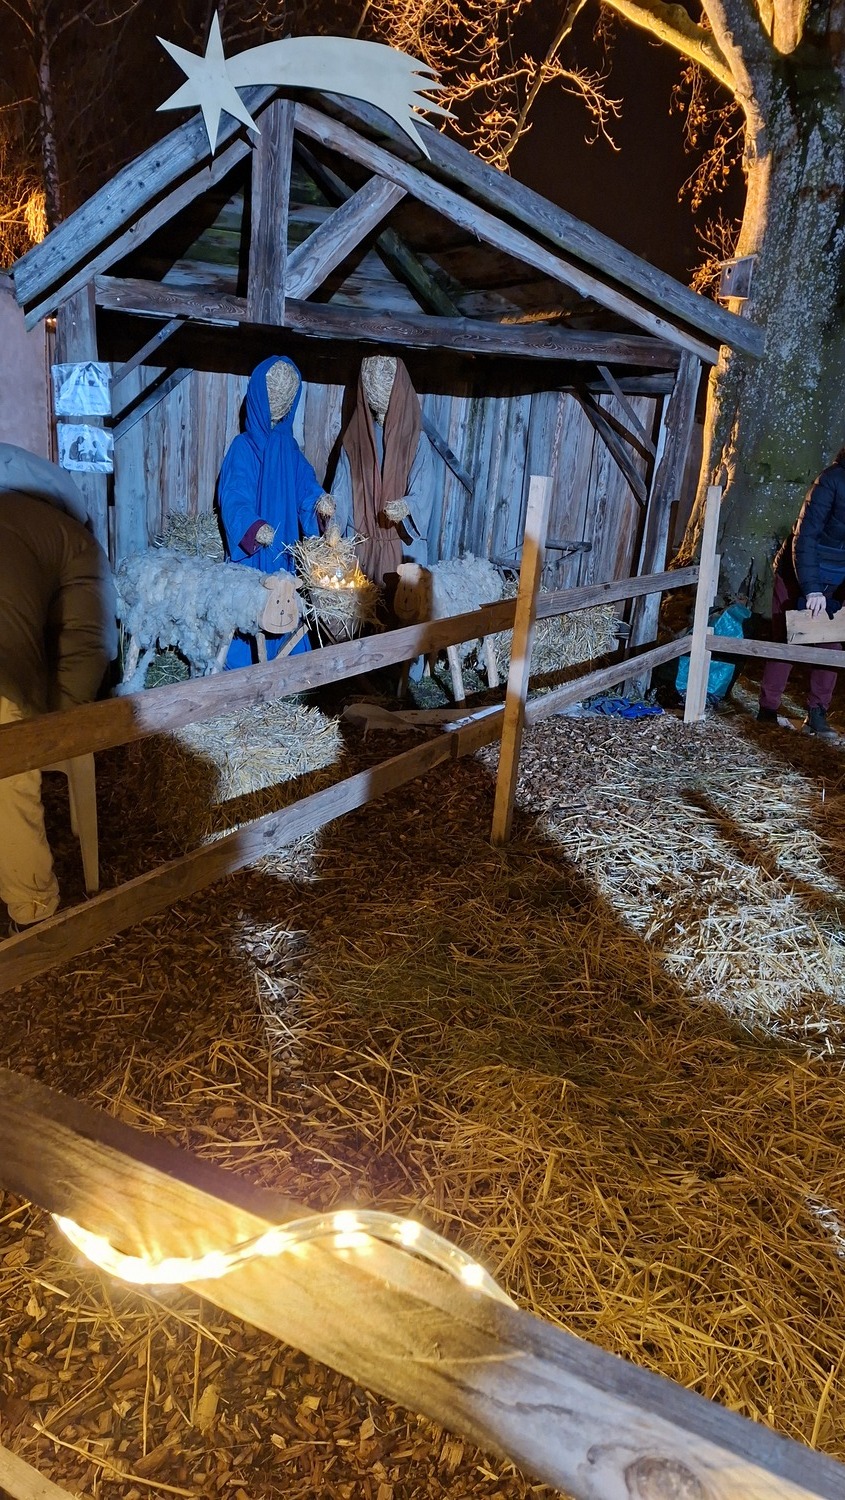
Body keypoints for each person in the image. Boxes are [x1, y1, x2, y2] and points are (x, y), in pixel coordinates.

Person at [0, 443, 116, 930]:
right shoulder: (76, 541)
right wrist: (55, 729)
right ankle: (32, 908)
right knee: (10, 746)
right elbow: (92, 641)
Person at [217, 355, 332, 667]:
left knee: (285, 599)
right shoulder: (242, 447)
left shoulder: (289, 448)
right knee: (251, 604)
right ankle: (244, 664)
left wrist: (319, 502)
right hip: (254, 552)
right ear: (258, 394)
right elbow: (234, 496)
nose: (280, 399)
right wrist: (253, 527)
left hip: (284, 547)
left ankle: (285, 658)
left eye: (288, 393)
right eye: (273, 392)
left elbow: (305, 483)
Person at [758, 447, 845, 737]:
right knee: (786, 638)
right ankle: (767, 711)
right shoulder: (831, 480)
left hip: (836, 578)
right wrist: (812, 589)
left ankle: (817, 713)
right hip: (798, 572)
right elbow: (805, 536)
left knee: (831, 644)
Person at [331, 354, 434, 590]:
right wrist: (335, 525)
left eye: (386, 382)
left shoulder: (415, 441)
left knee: (402, 606)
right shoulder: (354, 440)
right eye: (369, 382)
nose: (377, 389)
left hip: (401, 548)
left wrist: (406, 506)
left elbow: (424, 489)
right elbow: (342, 490)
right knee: (361, 607)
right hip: (361, 549)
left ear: (399, 387)